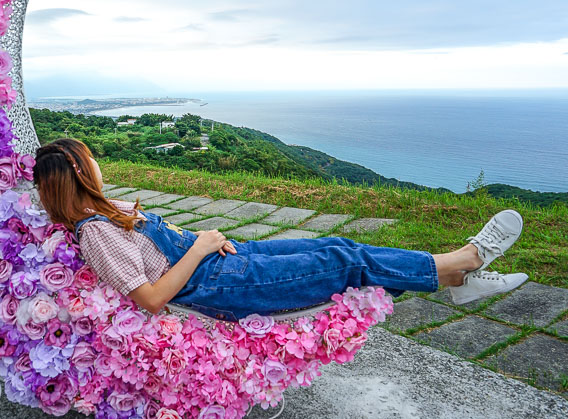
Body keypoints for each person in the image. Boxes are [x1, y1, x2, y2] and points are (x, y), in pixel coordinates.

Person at [33, 137, 528, 322]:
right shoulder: (95, 232)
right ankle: (462, 263)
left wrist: (206, 241)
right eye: (90, 162)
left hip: (221, 260)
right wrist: (202, 244)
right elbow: (152, 297)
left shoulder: (108, 209)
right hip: (216, 285)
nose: (98, 165)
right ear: (79, 175)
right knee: (342, 264)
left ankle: (453, 279)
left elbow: (161, 242)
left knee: (338, 244)